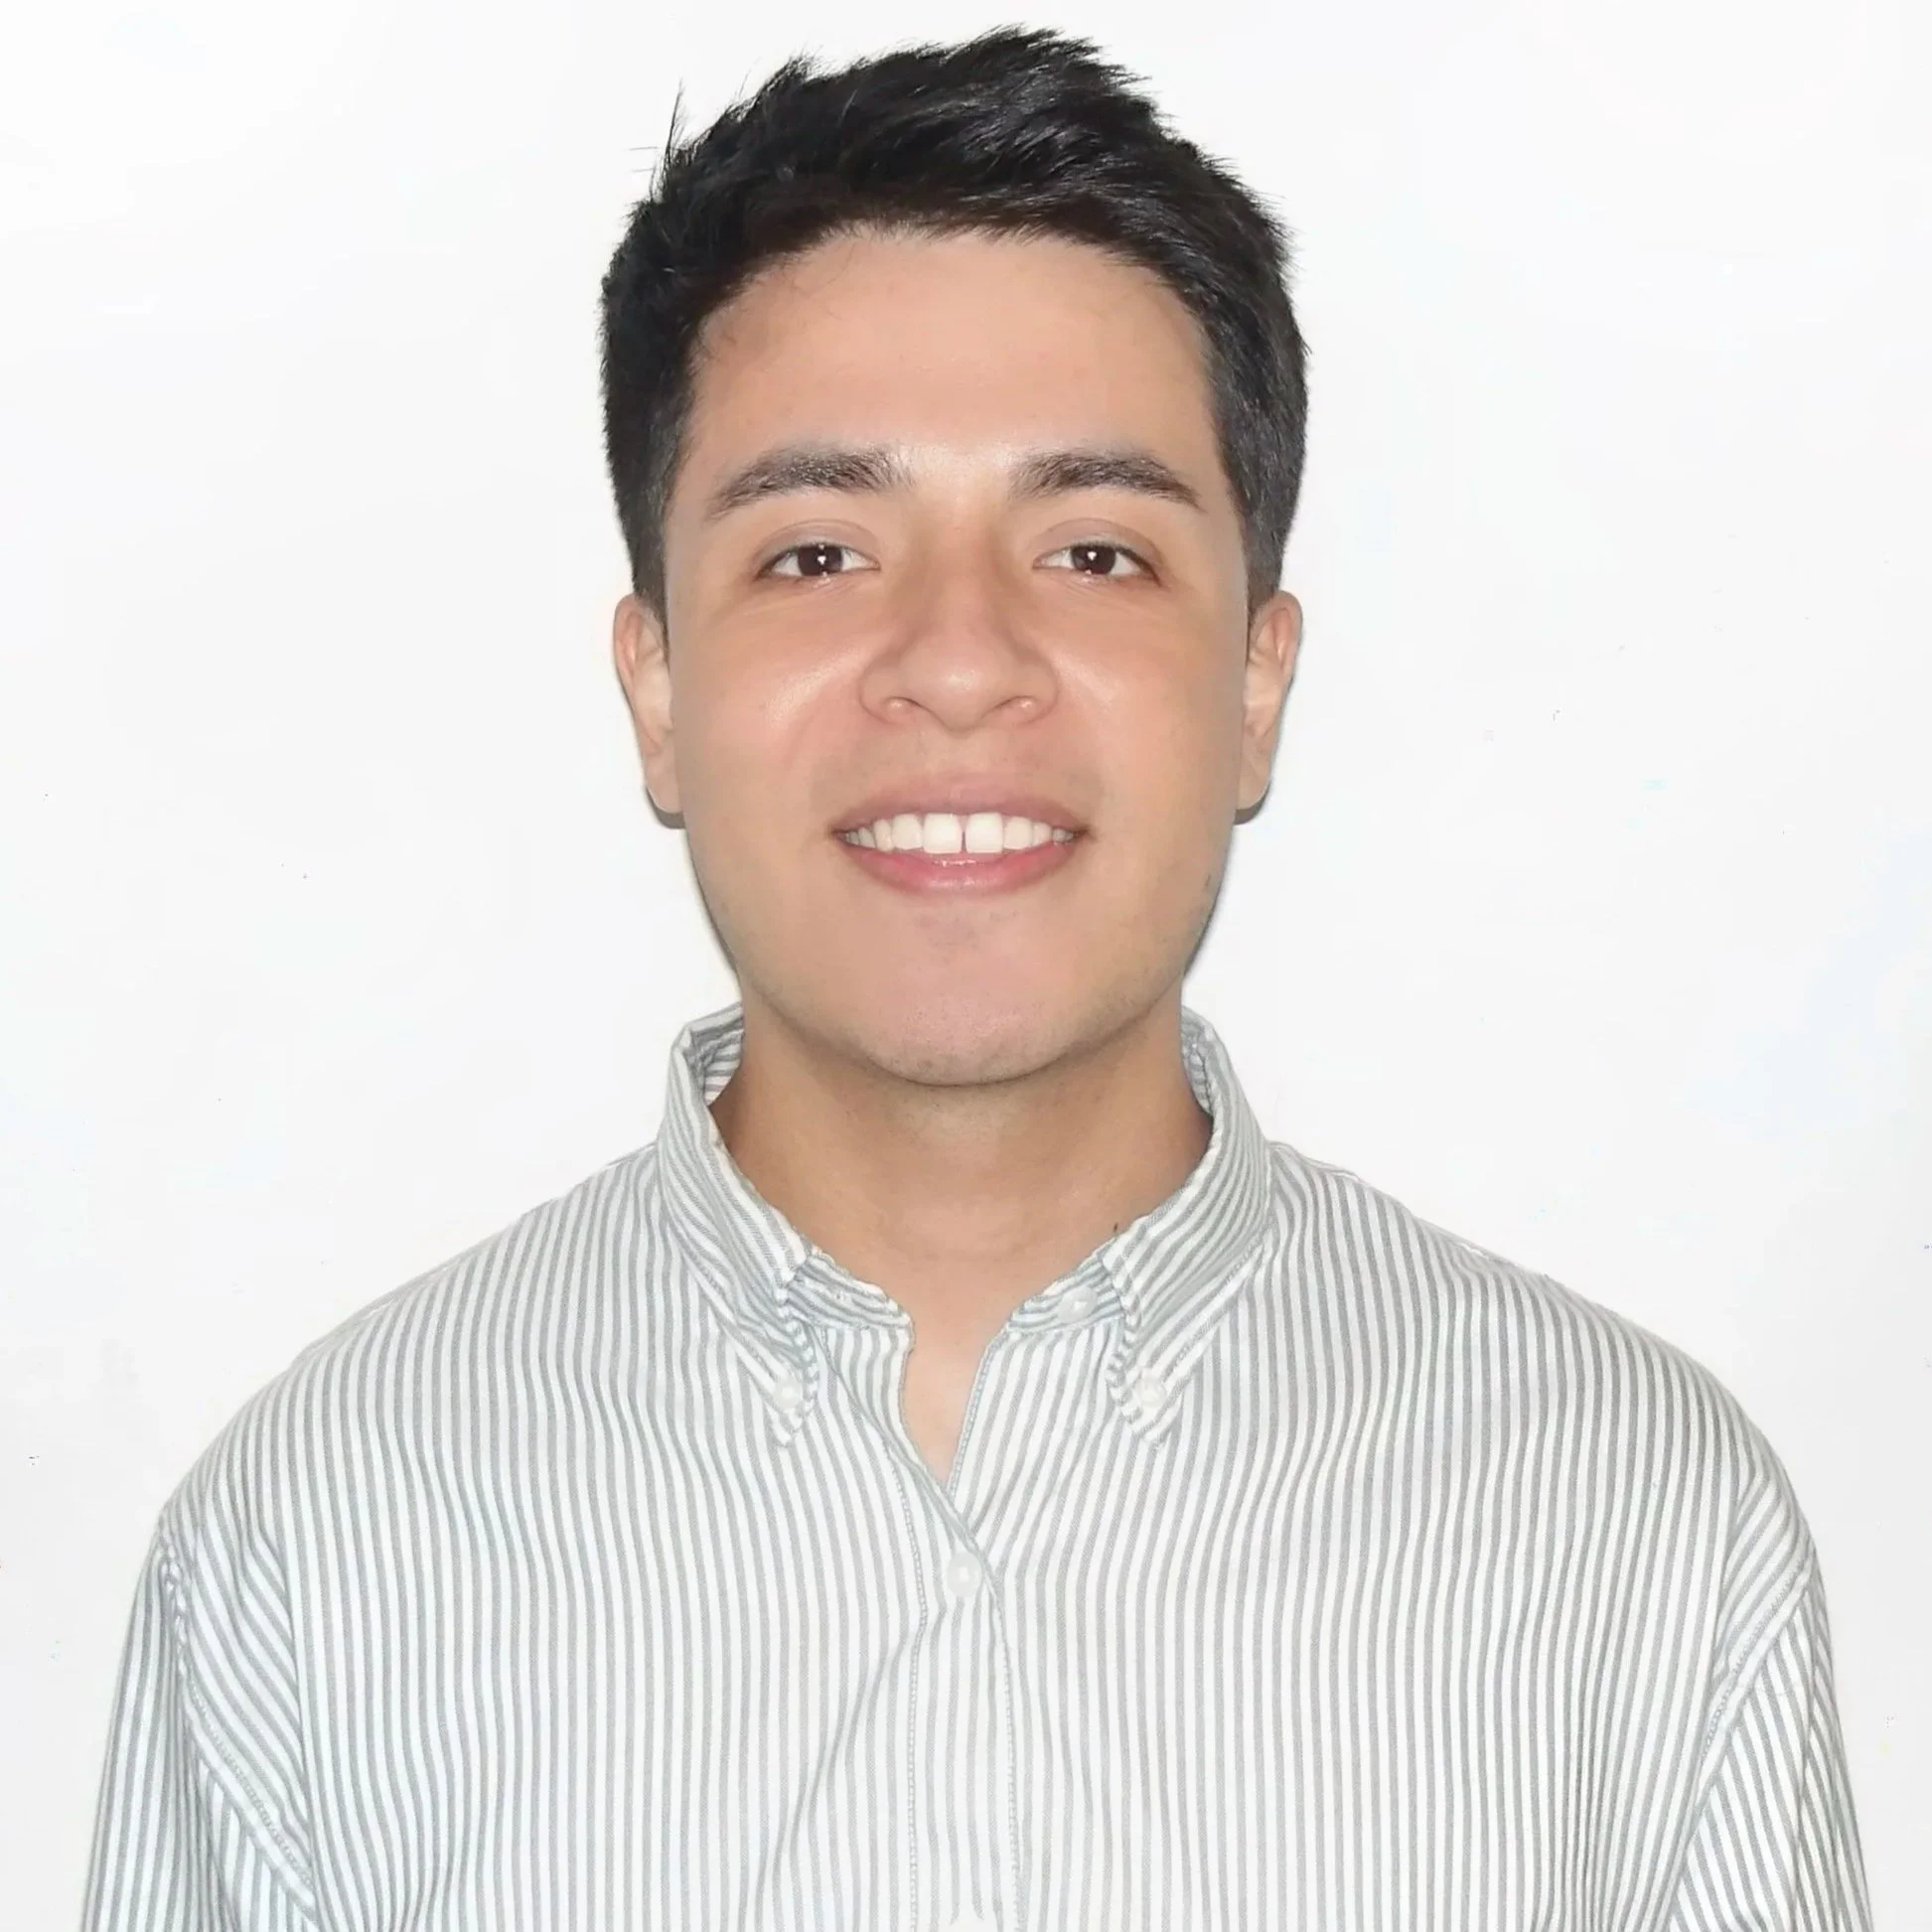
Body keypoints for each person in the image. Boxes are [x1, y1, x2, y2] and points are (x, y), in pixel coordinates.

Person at [80, 29, 1871, 1931]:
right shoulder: (317, 1546)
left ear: (1255, 685)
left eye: (1093, 550)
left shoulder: (1636, 1532)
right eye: (817, 553)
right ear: (658, 690)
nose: (956, 660)